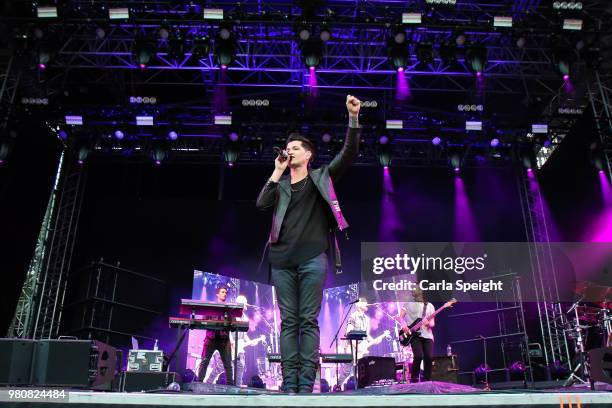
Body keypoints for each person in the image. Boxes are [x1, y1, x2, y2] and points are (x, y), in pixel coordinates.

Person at [256, 95, 362, 393]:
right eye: (287, 149)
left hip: (313, 257)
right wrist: (277, 172)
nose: (289, 152)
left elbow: (349, 152)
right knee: (288, 322)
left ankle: (305, 385)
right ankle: (289, 384)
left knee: (307, 320)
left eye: (295, 149)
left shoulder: (322, 177)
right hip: (282, 260)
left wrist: (353, 118)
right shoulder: (281, 186)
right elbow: (261, 203)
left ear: (309, 155)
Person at [197, 285, 234, 385]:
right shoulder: (211, 306)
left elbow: (233, 323)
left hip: (224, 339)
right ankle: (199, 383)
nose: (224, 294)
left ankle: (230, 386)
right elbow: (204, 320)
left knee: (228, 364)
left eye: (225, 292)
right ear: (217, 294)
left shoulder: (229, 309)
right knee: (204, 362)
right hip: (211, 338)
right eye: (222, 292)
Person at [399, 287, 435, 382]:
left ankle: (427, 380)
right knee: (418, 356)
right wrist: (404, 326)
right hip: (414, 335)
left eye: (415, 289)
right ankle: (414, 379)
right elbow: (401, 317)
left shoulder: (429, 306)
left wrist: (428, 323)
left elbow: (432, 324)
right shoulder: (407, 304)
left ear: (421, 292)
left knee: (429, 357)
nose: (413, 291)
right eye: (412, 290)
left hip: (427, 335)